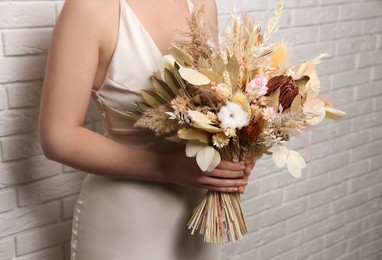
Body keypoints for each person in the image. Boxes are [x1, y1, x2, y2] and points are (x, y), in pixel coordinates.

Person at [39, 0, 255, 259]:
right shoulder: (89, 7)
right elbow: (58, 138)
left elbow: (216, 99)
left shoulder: (202, 3)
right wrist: (165, 167)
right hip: (125, 220)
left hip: (199, 216)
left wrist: (239, 152)